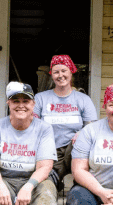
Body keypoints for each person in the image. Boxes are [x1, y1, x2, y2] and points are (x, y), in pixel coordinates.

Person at [0, 82, 58, 205]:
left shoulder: (44, 128)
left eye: (26, 101)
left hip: (33, 180)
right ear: (8, 103)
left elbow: (44, 167)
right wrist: (0, 186)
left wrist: (29, 186)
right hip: (3, 179)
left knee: (47, 189)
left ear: (33, 104)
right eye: (16, 101)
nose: (21, 105)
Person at [32, 55, 98, 191]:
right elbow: (32, 125)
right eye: (56, 72)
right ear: (51, 75)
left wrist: (82, 132)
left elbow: (92, 127)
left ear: (71, 72)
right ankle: (55, 179)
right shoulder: (40, 98)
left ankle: (77, 182)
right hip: (48, 148)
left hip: (73, 149)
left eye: (64, 71)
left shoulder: (83, 99)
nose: (60, 75)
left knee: (82, 142)